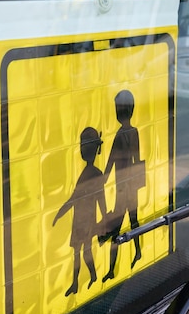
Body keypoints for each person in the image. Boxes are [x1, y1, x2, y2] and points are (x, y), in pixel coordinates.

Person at [53, 127, 105, 296]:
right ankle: (77, 281)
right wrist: (60, 213)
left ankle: (92, 275)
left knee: (85, 251)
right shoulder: (85, 173)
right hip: (79, 219)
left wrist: (104, 220)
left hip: (88, 219)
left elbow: (100, 199)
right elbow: (73, 199)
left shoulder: (96, 174)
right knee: (78, 252)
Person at [100, 90, 144, 282]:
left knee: (116, 232)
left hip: (122, 188)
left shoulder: (120, 135)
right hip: (131, 186)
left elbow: (111, 160)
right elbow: (136, 159)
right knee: (133, 222)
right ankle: (138, 252)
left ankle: (111, 269)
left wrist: (101, 180)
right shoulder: (134, 132)